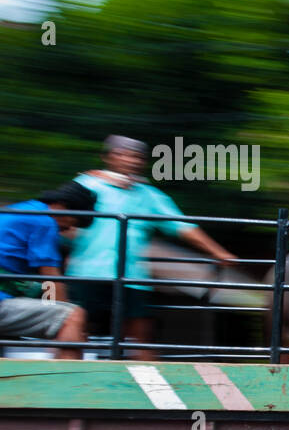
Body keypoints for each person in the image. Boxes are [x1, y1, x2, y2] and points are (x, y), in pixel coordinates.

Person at [65, 135, 236, 360]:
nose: (131, 161)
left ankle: (150, 387)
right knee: (74, 331)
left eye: (137, 156)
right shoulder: (86, 185)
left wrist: (217, 251)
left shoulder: (150, 195)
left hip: (131, 276)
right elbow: (58, 215)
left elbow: (181, 226)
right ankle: (70, 383)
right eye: (123, 154)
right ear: (107, 157)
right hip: (86, 272)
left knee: (140, 334)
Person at [0, 182, 98, 359]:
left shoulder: (19, 210)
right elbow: (50, 277)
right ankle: (70, 383)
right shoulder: (44, 221)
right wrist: (63, 322)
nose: (71, 229)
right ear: (63, 206)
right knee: (72, 315)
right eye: (75, 221)